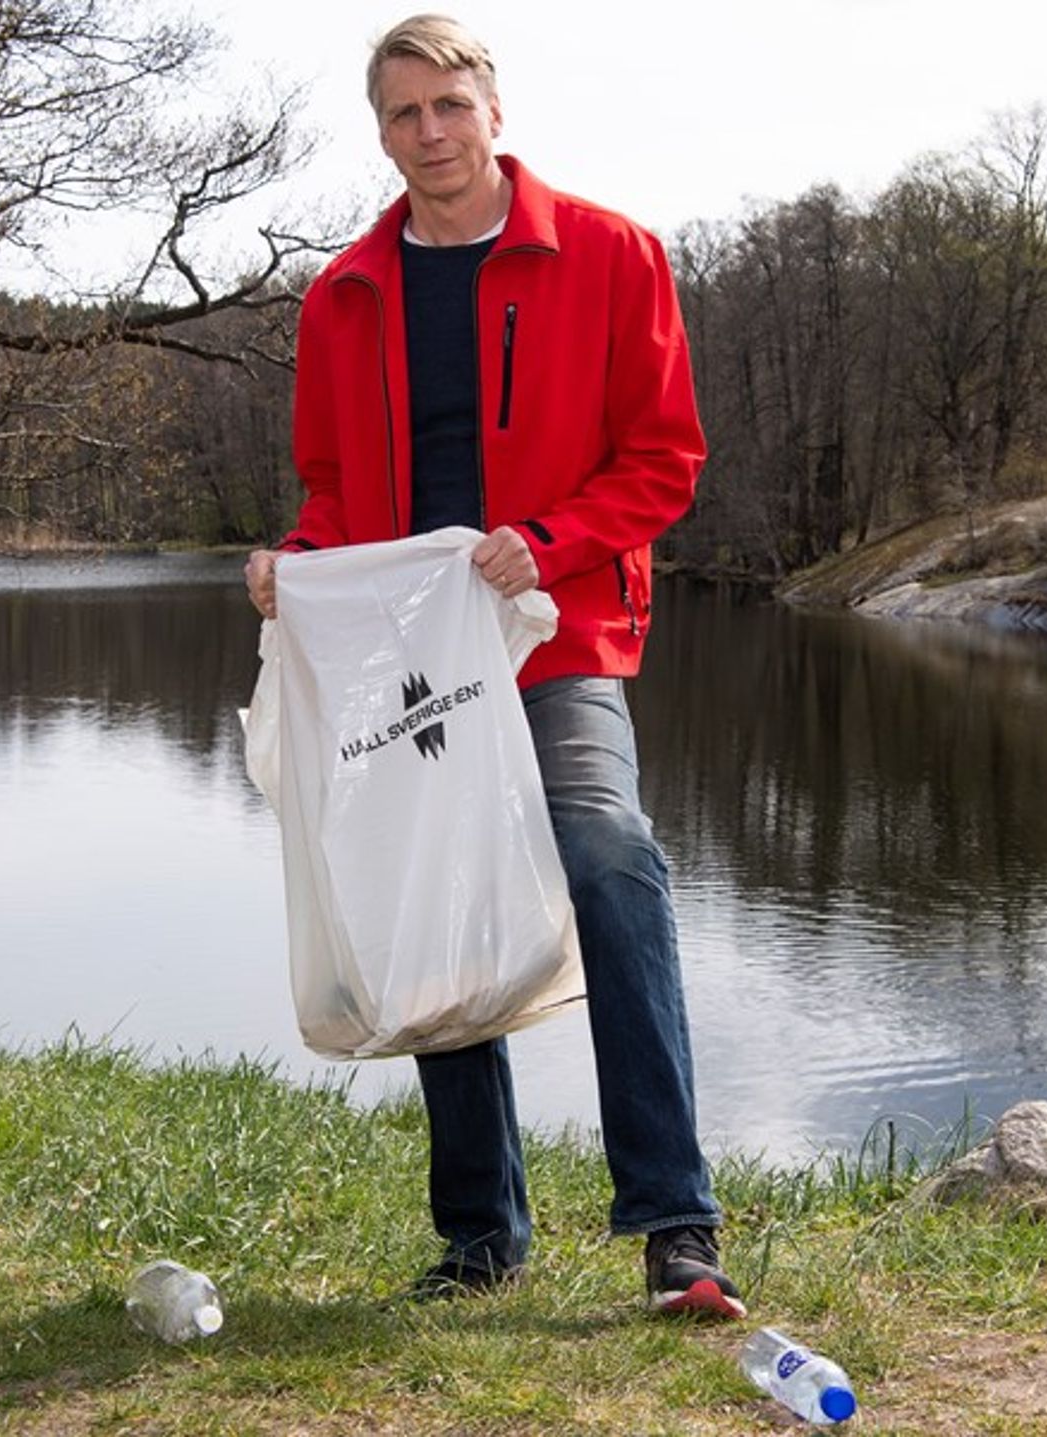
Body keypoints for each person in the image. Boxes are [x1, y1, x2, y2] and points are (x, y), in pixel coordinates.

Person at [243, 13, 740, 1319]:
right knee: (432, 913)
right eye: (404, 114)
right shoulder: (345, 296)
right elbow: (335, 490)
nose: (431, 133)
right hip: (411, 653)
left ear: (494, 108)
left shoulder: (614, 256)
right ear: (383, 132)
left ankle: (676, 1226)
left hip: (558, 628)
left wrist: (556, 541)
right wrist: (292, 559)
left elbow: (665, 458)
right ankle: (482, 1233)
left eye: (449, 105)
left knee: (612, 861)